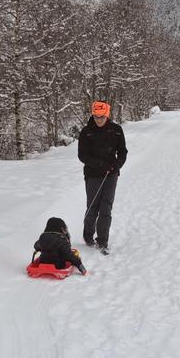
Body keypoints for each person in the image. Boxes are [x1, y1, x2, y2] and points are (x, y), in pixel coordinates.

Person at [78, 100, 128, 255]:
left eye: (102, 116)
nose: (98, 120)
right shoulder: (86, 132)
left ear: (107, 115)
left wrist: (117, 165)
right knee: (93, 206)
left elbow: (123, 152)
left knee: (106, 208)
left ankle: (102, 241)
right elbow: (82, 155)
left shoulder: (116, 130)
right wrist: (100, 164)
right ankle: (88, 236)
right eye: (96, 116)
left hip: (111, 174)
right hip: (93, 175)